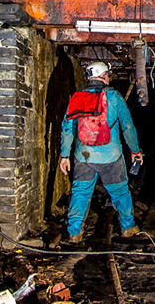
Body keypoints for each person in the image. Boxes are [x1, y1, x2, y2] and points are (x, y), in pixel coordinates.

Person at [59, 61, 144, 242]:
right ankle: (128, 227)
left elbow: (67, 128)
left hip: (83, 156)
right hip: (111, 157)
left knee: (80, 192)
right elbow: (128, 127)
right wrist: (135, 151)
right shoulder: (114, 97)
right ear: (104, 75)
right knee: (120, 192)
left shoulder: (77, 97)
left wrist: (64, 155)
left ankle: (74, 232)